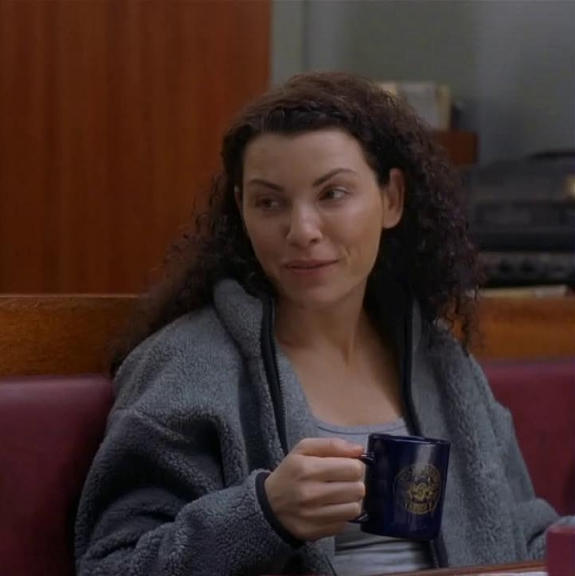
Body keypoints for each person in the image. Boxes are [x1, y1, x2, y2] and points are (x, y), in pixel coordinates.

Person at [73, 71, 572, 575]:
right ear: (241, 211)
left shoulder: (441, 359)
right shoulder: (186, 366)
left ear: (392, 199)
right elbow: (111, 566)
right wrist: (263, 514)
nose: (302, 230)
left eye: (332, 193)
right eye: (269, 202)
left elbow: (524, 537)